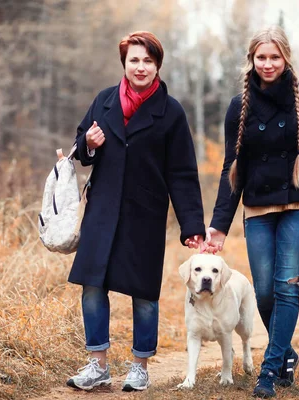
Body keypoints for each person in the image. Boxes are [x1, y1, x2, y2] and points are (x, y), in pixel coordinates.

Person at [205, 26, 299, 398]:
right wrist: (219, 225)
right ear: (251, 61)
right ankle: (286, 352)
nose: (268, 64)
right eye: (261, 57)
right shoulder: (240, 106)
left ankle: (269, 373)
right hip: (257, 207)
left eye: (275, 57)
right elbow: (230, 169)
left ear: (286, 59)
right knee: (265, 293)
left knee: (287, 286)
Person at [66, 31, 206, 392]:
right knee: (93, 285)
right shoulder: (105, 101)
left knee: (144, 292)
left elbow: (182, 172)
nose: (140, 67)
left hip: (145, 212)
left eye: (147, 60)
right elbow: (80, 148)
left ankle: (140, 365)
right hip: (102, 209)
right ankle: (97, 365)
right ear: (124, 64)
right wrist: (88, 144)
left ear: (157, 64)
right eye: (134, 60)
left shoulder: (170, 111)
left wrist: (192, 224)